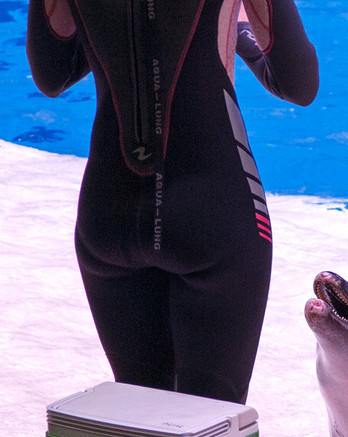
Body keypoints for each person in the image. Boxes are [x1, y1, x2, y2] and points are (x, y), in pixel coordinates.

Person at [25, 0, 318, 404]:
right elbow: (298, 83)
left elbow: (52, 74)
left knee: (145, 435)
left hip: (109, 215)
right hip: (214, 214)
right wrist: (241, 32)